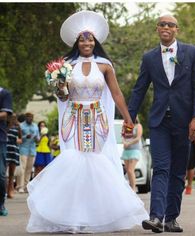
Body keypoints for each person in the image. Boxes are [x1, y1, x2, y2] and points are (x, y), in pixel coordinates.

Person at [26, 10, 148, 234]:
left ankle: (95, 215)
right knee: (73, 162)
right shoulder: (66, 65)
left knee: (94, 163)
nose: (86, 42)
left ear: (96, 42)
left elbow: (117, 95)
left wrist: (129, 119)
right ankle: (71, 215)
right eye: (82, 39)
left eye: (90, 38)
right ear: (76, 42)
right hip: (72, 119)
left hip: (97, 121)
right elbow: (62, 97)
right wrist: (60, 87)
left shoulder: (104, 65)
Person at [127, 13, 195, 233]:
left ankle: (171, 218)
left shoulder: (192, 53)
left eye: (170, 25)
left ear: (176, 30)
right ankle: (155, 216)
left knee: (178, 171)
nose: (166, 27)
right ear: (157, 28)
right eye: (162, 24)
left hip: (185, 122)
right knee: (160, 168)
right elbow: (139, 89)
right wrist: (128, 118)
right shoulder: (149, 57)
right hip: (159, 120)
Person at [16, 112, 39, 193]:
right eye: (29, 117)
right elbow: (18, 138)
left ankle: (26, 186)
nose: (30, 119)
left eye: (31, 117)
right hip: (23, 149)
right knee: (22, 168)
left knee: (29, 169)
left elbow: (38, 138)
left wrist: (37, 138)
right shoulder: (21, 125)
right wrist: (26, 137)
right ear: (26, 118)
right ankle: (20, 186)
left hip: (32, 149)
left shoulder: (35, 126)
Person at [0, 87, 13, 216]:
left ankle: (1, 203)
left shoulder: (4, 93)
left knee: (1, 174)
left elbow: (4, 114)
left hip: (1, 139)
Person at [121, 117, 143, 191]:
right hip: (126, 151)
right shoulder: (125, 125)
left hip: (134, 150)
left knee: (130, 170)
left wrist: (128, 143)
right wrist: (124, 142)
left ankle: (133, 189)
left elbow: (138, 138)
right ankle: (130, 188)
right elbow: (123, 136)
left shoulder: (138, 126)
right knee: (127, 171)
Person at [6, 113, 22, 198]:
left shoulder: (18, 127)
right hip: (5, 149)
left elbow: (20, 139)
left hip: (14, 150)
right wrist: (10, 124)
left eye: (14, 117)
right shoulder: (4, 125)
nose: (13, 118)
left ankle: (10, 191)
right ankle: (4, 190)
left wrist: (18, 140)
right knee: (3, 172)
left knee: (11, 173)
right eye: (11, 117)